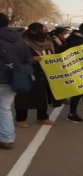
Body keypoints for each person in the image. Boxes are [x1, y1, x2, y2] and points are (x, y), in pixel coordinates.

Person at [14, 23, 56, 128]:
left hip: (40, 71)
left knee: (41, 95)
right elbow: (15, 56)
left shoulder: (47, 40)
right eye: (41, 30)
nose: (44, 32)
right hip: (24, 71)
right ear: (32, 31)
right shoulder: (22, 41)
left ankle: (42, 117)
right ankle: (21, 119)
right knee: (23, 96)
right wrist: (32, 59)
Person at [0, 13, 32, 149]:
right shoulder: (19, 39)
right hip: (14, 79)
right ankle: (7, 138)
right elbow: (28, 59)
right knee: (4, 109)